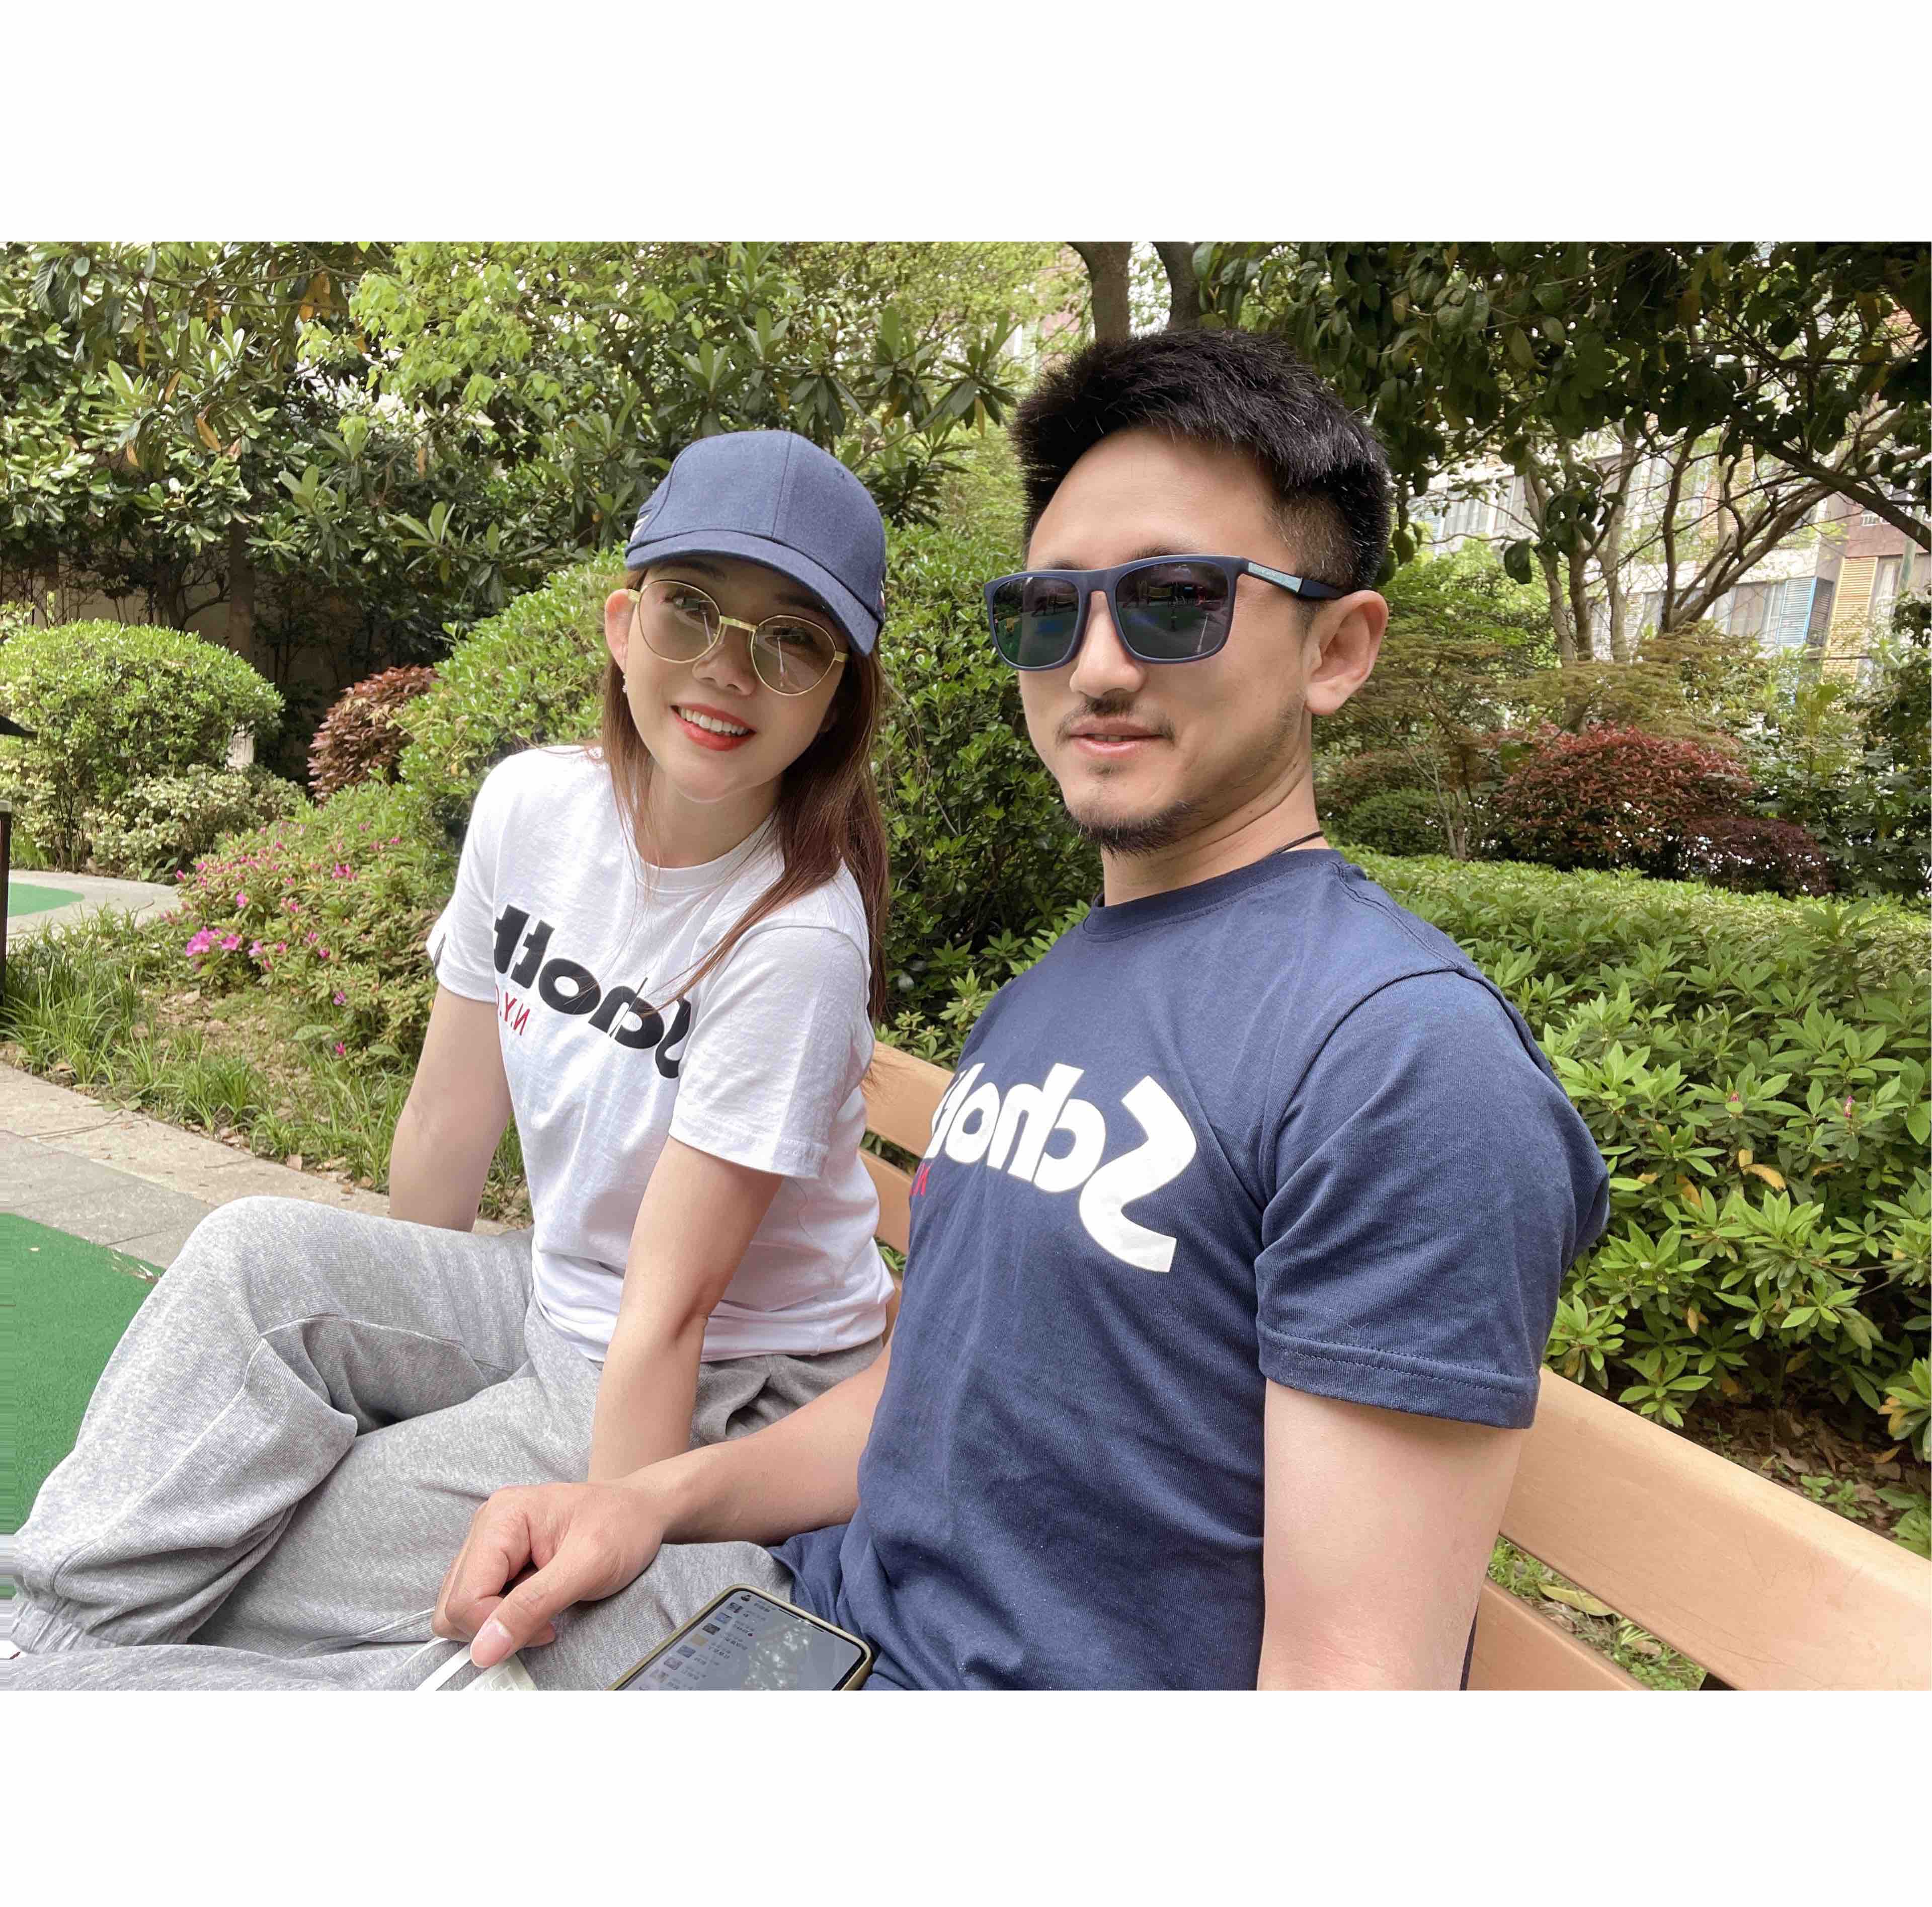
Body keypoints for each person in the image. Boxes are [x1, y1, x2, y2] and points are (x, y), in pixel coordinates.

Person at [4, 331, 1609, 1692]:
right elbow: (927, 1396)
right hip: (794, 1623)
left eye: (1175, 601)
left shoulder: (1401, 1061)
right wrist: (650, 1505)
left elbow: (1350, 1705)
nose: (1100, 665)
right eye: (1051, 611)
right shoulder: (1056, 1000)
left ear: (1338, 648)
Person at [4, 430, 900, 1666]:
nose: (727, 669)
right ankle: (35, 1648)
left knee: (255, 1573)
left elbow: (672, 1310)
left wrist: (609, 1547)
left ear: (838, 697)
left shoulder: (796, 939)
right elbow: (445, 1121)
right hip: (551, 1292)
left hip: (722, 1382)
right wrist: (398, 1390)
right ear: (623, 625)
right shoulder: (533, 808)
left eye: (792, 640)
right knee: (252, 1257)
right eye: (692, 608)